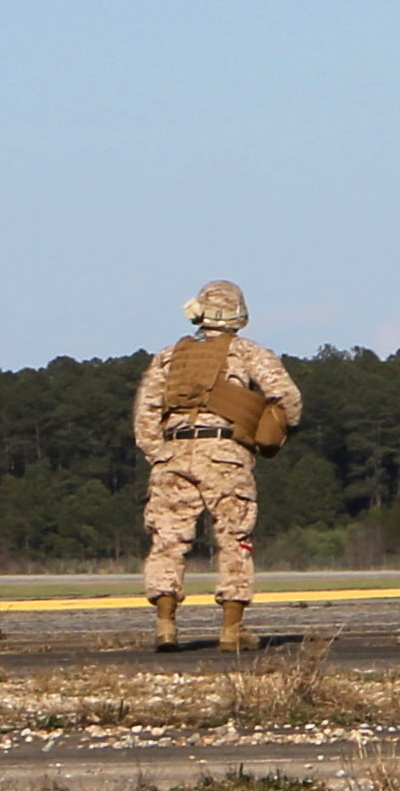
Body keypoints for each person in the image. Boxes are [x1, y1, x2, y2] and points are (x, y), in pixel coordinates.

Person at [131, 281, 304, 656]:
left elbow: (145, 417)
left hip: (172, 452)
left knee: (168, 540)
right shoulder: (248, 352)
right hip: (225, 452)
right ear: (238, 314)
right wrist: (271, 434)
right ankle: (231, 629)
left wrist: (161, 455)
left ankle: (165, 625)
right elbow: (288, 399)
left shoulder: (167, 357)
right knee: (234, 537)